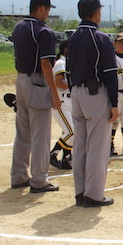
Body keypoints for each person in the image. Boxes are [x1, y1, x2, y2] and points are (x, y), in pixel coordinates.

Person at [68, 0, 119, 207]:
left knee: (80, 144)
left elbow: (69, 70)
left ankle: (81, 192)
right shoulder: (101, 38)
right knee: (98, 146)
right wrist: (114, 104)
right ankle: (94, 194)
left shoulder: (72, 37)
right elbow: (110, 73)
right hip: (95, 93)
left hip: (77, 92)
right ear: (96, 12)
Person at [10, 0, 61, 193]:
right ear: (41, 9)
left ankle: (18, 175)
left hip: (21, 79)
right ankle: (39, 179)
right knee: (41, 134)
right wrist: (54, 92)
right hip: (37, 81)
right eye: (47, 10)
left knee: (23, 132)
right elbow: (45, 63)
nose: (48, 14)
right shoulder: (44, 31)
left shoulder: (19, 27)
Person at [50, 40, 74, 169]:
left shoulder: (69, 63)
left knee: (68, 131)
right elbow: (58, 83)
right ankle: (53, 153)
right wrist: (74, 86)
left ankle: (66, 158)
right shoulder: (61, 63)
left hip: (70, 101)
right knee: (72, 132)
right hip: (61, 101)